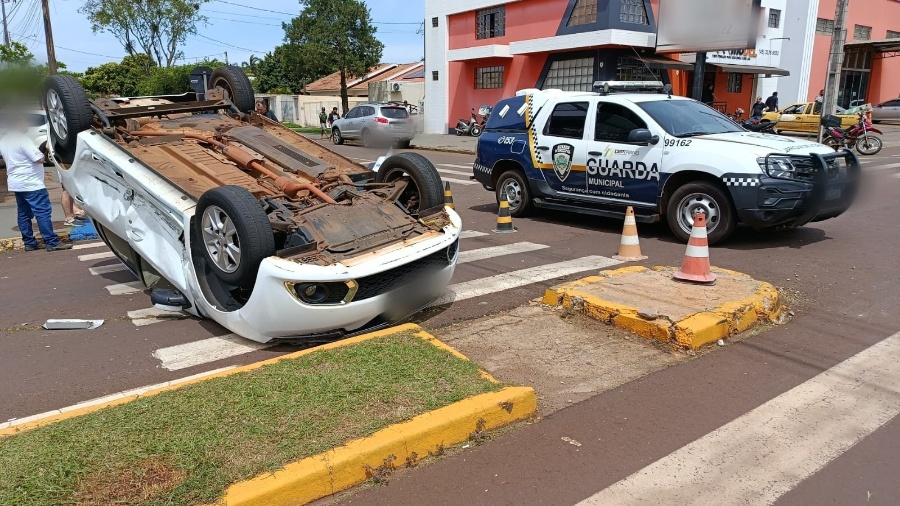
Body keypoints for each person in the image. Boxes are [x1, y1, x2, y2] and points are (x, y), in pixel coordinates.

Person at [0, 115, 72, 251]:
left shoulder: (4, 140)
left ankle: (29, 242)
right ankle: (51, 241)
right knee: (42, 212)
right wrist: (44, 148)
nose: (26, 124)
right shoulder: (23, 139)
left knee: (23, 213)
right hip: (31, 182)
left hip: (16, 183)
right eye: (25, 122)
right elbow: (39, 159)